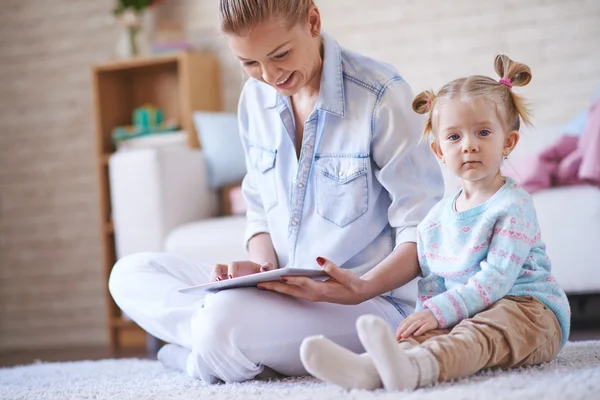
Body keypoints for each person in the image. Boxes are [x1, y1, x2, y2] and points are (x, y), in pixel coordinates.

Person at [108, 0, 443, 384]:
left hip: (372, 303)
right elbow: (259, 211)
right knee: (130, 274)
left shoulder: (381, 95)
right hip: (284, 293)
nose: (269, 75)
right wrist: (260, 270)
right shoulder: (255, 98)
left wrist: (358, 288)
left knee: (222, 324)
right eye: (249, 63)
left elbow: (423, 230)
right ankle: (227, 348)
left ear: (313, 21)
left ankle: (199, 355)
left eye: (280, 54)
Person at [300, 55, 571, 391]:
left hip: (528, 312)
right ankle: (372, 369)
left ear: (508, 142)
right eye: (454, 137)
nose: (469, 144)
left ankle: (420, 368)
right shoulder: (434, 220)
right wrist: (423, 320)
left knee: (478, 334)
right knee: (427, 331)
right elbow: (433, 284)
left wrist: (438, 312)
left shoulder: (513, 205)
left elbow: (496, 280)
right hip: (467, 308)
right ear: (439, 151)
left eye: (483, 132)